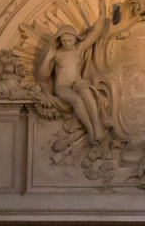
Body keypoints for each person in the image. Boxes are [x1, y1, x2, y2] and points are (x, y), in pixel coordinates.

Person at [37, 12, 109, 144]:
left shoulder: (79, 49)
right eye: (63, 41)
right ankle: (91, 131)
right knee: (77, 100)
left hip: (77, 83)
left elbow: (95, 33)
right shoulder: (57, 54)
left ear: (75, 39)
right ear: (59, 40)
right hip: (62, 87)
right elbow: (43, 76)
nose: (66, 43)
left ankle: (97, 127)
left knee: (87, 92)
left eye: (69, 40)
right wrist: (48, 59)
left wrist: (102, 12)